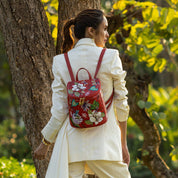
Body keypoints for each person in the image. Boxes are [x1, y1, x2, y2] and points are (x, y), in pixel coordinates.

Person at [34, 9, 131, 178]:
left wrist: (45, 142)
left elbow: (59, 111)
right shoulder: (111, 57)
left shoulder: (60, 62)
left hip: (72, 145)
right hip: (104, 143)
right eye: (105, 28)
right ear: (91, 31)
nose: (107, 34)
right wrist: (123, 144)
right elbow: (122, 104)